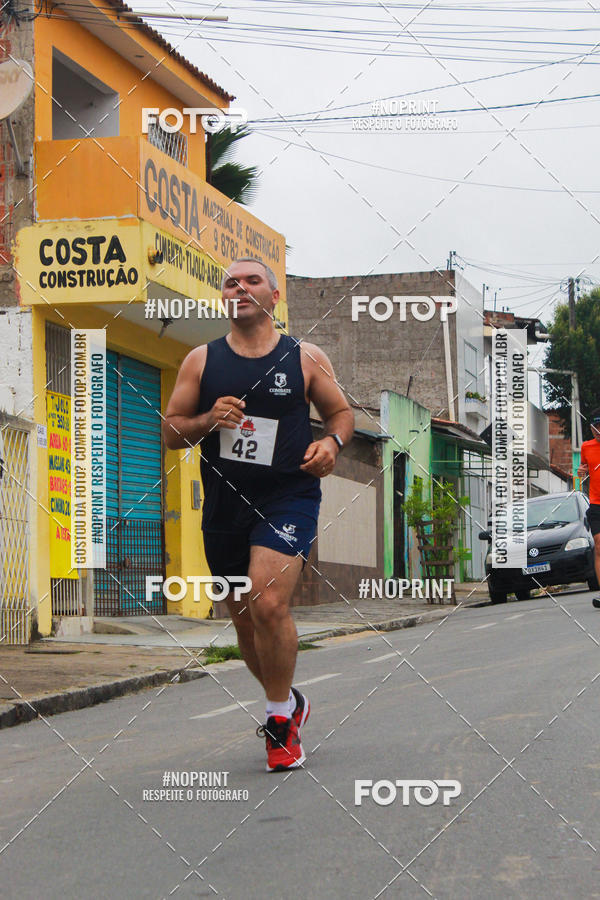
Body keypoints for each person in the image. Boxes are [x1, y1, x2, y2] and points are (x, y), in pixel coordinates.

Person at [163, 258, 354, 770]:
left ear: (273, 296)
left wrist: (332, 444)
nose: (240, 287)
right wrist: (207, 419)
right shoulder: (200, 362)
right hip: (224, 505)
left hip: (287, 496)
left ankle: (277, 724)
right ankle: (290, 703)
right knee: (245, 623)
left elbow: (341, 413)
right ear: (223, 297)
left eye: (252, 280)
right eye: (231, 281)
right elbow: (169, 432)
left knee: (266, 601)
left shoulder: (304, 357)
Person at [578, 410, 600, 608]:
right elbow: (582, 471)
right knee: (599, 545)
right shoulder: (586, 446)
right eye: (594, 428)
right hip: (596, 503)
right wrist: (580, 472)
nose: (597, 432)